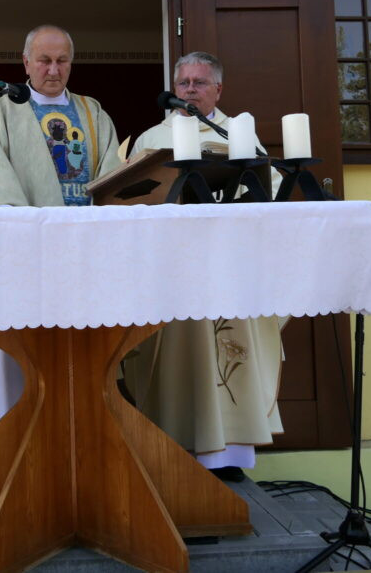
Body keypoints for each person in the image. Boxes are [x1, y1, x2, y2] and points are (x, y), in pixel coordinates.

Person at [126, 51, 286, 482]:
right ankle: (170, 447)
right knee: (178, 359)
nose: (190, 90)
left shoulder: (239, 138)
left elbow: (266, 201)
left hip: (228, 272)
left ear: (219, 89)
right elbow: (122, 201)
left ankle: (227, 456)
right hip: (171, 273)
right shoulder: (148, 142)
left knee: (228, 354)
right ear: (173, 89)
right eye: (183, 83)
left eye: (200, 82)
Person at [0, 24, 122, 423]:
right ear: (26, 62)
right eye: (44, 60)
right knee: (26, 349)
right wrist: (28, 226)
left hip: (86, 250)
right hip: (25, 250)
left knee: (82, 347)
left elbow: (113, 177)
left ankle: (83, 427)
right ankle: (18, 426)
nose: (53, 69)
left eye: (62, 60)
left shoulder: (91, 111)